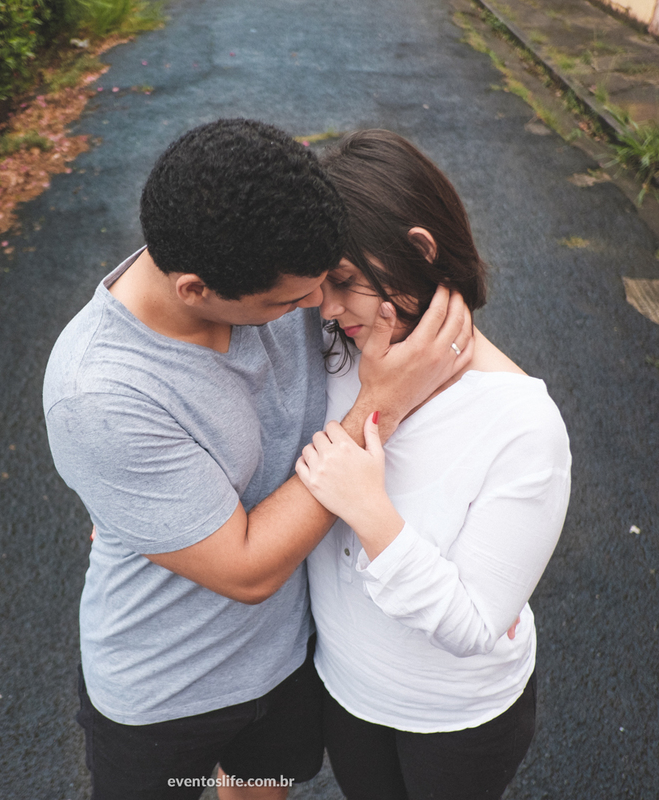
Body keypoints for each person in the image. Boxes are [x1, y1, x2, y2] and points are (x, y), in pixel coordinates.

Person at [42, 119, 474, 800]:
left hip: (287, 659)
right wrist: (377, 405)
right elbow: (244, 571)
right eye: (291, 301)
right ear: (194, 289)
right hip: (166, 692)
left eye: (326, 284)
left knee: (260, 788)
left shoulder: (266, 246)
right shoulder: (98, 392)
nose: (318, 309)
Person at [294, 129, 572, 800]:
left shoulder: (523, 425)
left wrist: (370, 512)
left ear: (419, 249)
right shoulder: (333, 350)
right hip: (345, 689)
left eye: (345, 282)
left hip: (456, 720)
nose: (325, 307)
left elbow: (476, 625)